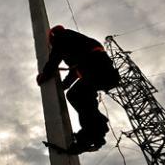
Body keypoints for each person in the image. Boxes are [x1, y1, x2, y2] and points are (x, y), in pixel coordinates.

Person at [36, 25, 120, 154]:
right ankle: (96, 134)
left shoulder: (62, 37)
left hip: (98, 70)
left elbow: (55, 58)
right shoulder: (78, 43)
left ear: (53, 37)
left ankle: (91, 135)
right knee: (82, 97)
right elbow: (76, 70)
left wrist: (45, 75)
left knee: (76, 95)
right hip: (104, 73)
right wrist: (64, 85)